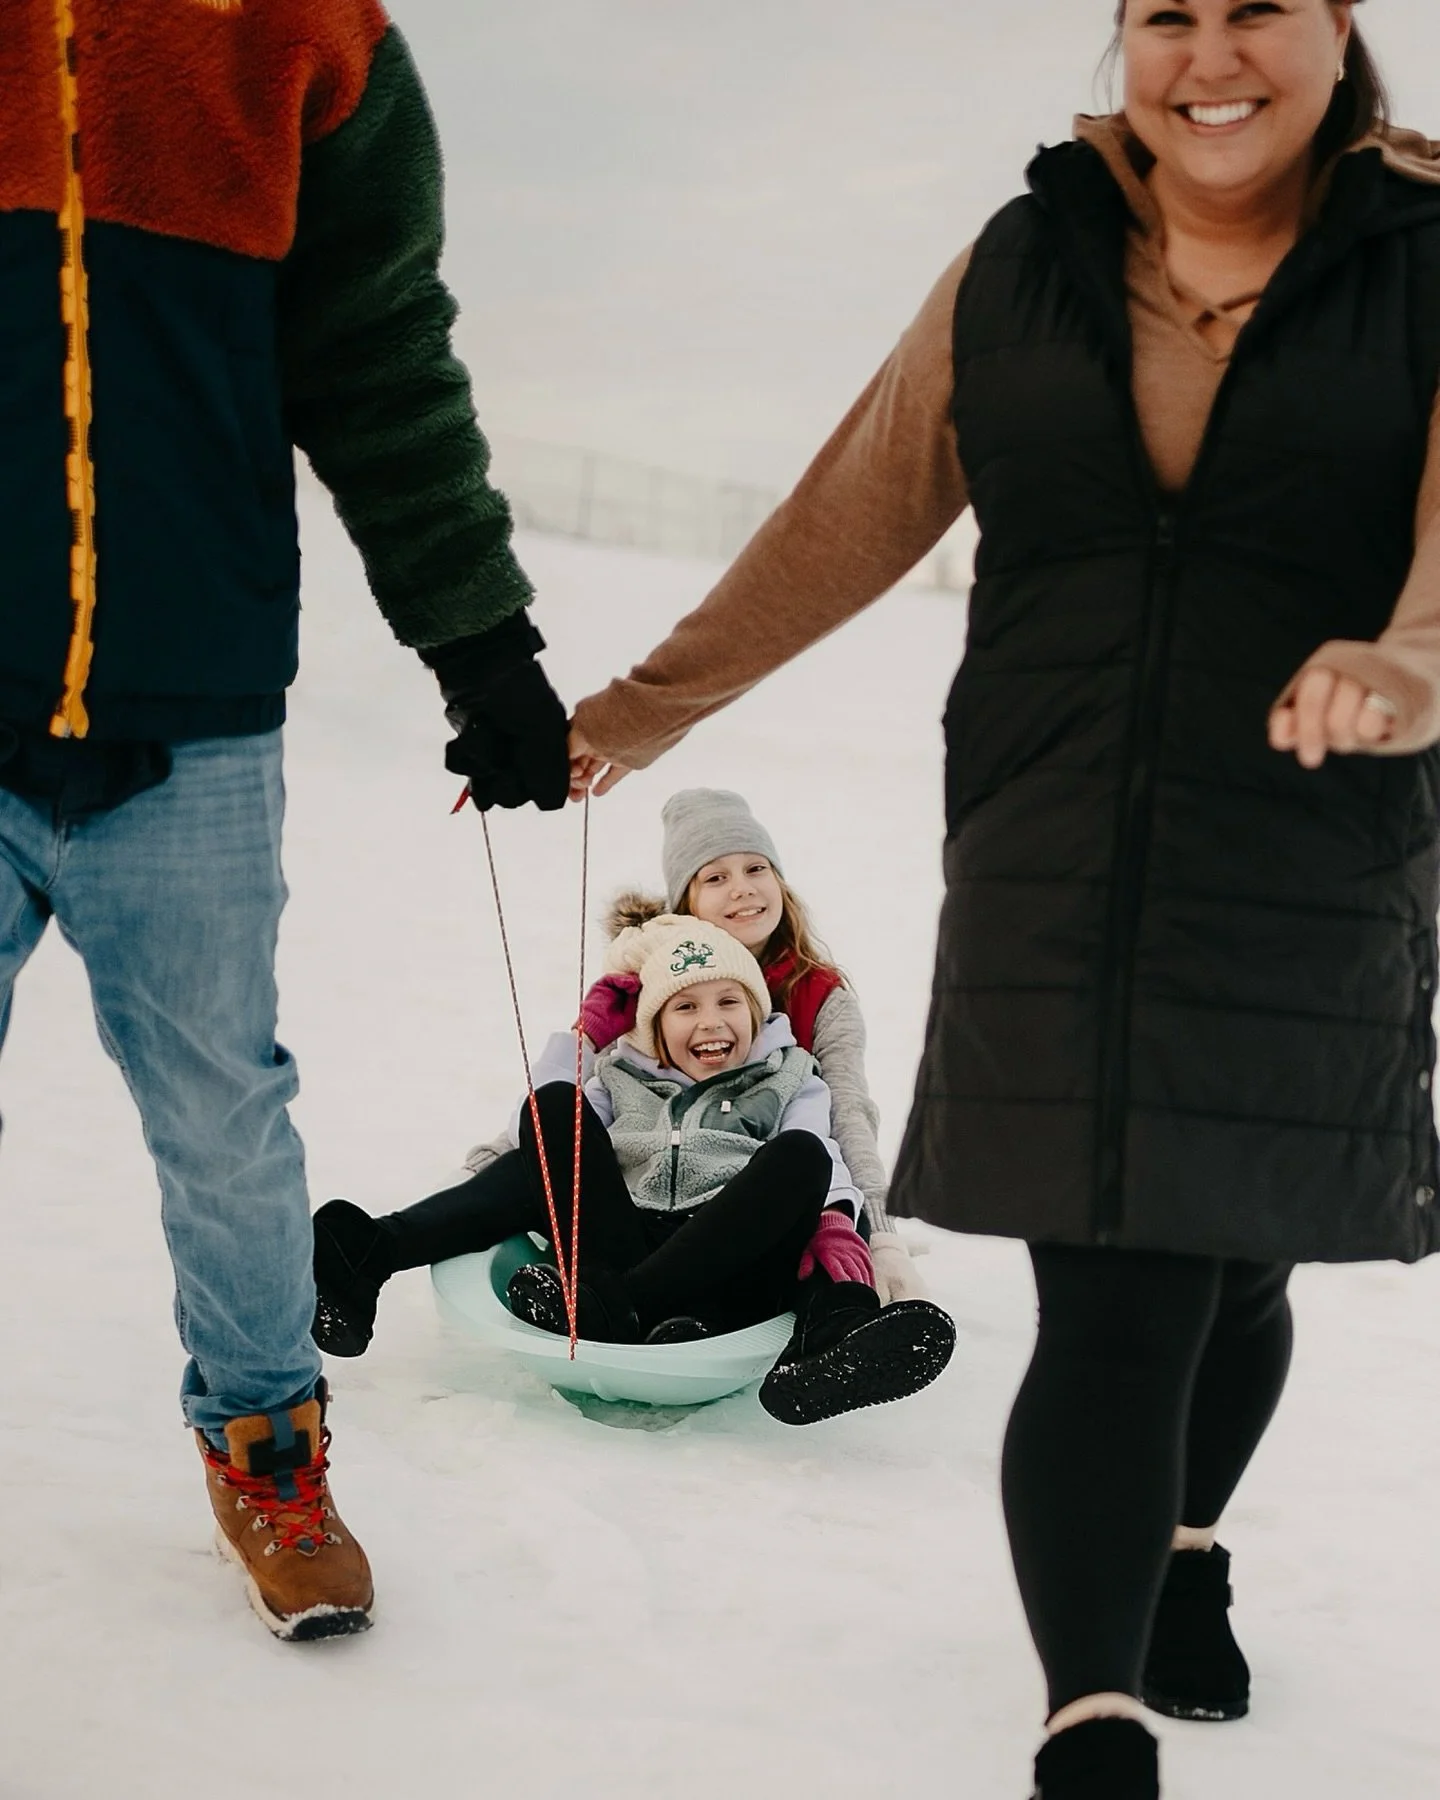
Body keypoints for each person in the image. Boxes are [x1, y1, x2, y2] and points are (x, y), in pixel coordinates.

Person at [566, 2, 1440, 1791]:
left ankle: (1188, 1543)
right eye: (1167, 15)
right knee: (1111, 1292)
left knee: (1234, 1266)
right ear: (1125, 41)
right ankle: (1089, 1722)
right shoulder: (1025, 262)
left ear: (1339, 28)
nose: (1213, 55)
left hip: (1311, 846)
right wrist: (640, 711)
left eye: (1258, 10)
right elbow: (846, 514)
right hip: (1052, 851)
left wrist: (1409, 661)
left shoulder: (1423, 255)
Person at [0, 2, 568, 1641]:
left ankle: (268, 1445)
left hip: (192, 710)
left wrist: (484, 647)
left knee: (225, 1120)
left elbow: (376, 351)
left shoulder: (306, 36)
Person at [310, 788, 924, 1356]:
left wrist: (870, 1226)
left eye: (756, 868)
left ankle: (668, 1308)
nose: (742, 889)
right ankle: (369, 1247)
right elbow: (567, 1115)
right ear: (685, 903)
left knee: (800, 1158)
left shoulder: (813, 1007)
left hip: (747, 1220)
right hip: (626, 1214)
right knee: (555, 1119)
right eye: (716, 876)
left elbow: (842, 1116)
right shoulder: (639, 996)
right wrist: (489, 1160)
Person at [491, 912, 954, 1424]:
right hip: (624, 1244)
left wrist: (835, 1220)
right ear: (655, 1026)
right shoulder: (620, 1075)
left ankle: (625, 1308)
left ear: (757, 1015)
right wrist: (585, 1036)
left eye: (729, 1002)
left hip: (724, 1257)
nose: (710, 1021)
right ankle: (637, 1309)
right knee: (556, 1104)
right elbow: (529, 1129)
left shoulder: (792, 1076)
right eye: (686, 1006)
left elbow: (822, 1147)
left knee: (802, 1153)